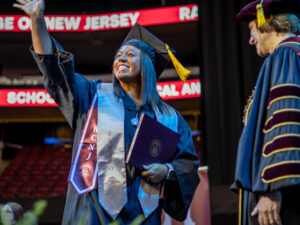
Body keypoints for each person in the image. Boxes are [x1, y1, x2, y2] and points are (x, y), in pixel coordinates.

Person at [13, 0, 200, 224]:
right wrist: (37, 21)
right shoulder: (93, 96)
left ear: (148, 64)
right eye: (118, 55)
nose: (120, 58)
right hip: (93, 212)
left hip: (144, 216)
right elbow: (55, 69)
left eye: (130, 54)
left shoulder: (170, 118)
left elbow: (188, 165)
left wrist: (167, 170)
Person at [232, 0, 300, 225]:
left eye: (252, 30)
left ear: (268, 23)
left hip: (285, 195)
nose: (251, 40)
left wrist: (273, 186)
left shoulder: (285, 55)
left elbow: (286, 121)